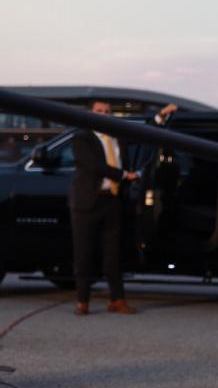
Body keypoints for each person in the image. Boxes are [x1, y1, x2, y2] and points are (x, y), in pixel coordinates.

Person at [69, 100, 177, 315]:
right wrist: (124, 175)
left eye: (107, 112)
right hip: (87, 202)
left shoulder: (117, 135)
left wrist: (160, 116)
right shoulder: (81, 138)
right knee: (84, 252)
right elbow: (94, 165)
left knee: (113, 253)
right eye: (99, 111)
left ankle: (116, 299)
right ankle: (82, 301)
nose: (103, 115)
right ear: (90, 113)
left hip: (113, 200)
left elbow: (141, 134)